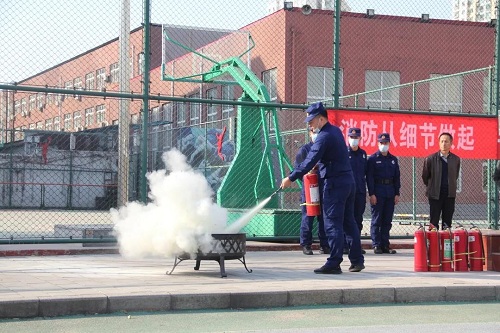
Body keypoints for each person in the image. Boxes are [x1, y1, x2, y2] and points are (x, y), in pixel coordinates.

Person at [280, 102, 364, 274]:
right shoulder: (335, 132)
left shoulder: (324, 136)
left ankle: (334, 262)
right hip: (347, 182)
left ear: (321, 119)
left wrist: (291, 177)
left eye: (312, 121)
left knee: (332, 223)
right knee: (349, 222)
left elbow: (309, 160)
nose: (309, 124)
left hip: (335, 184)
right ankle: (356, 260)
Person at [294, 129, 330, 255]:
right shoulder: (304, 150)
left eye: (318, 132)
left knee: (323, 218)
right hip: (309, 189)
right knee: (308, 217)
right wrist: (308, 173)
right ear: (310, 133)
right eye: (314, 132)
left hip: (323, 187)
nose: (316, 135)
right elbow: (297, 169)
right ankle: (306, 244)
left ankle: (324, 244)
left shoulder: (324, 149)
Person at [366, 133, 400, 254]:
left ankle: (385, 244)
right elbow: (369, 178)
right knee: (377, 219)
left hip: (390, 192)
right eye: (381, 143)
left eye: (385, 143)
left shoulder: (393, 160)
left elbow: (397, 178)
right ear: (378, 143)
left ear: (389, 144)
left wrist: (397, 193)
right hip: (378, 191)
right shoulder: (373, 159)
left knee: (387, 220)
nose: (383, 145)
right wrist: (372, 194)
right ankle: (376, 244)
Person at [422, 132, 461, 230]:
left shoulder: (456, 159)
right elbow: (425, 177)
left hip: (449, 194)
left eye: (446, 141)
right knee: (434, 222)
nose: (444, 144)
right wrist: (432, 186)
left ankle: (446, 244)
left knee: (447, 223)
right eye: (442, 141)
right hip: (435, 194)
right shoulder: (430, 159)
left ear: (451, 143)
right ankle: (433, 244)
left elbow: (455, 175)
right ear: (439, 143)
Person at [345, 128, 367, 255]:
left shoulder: (363, 154)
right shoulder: (343, 153)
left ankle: (355, 246)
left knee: (358, 219)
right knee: (347, 218)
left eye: (356, 137)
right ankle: (345, 245)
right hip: (347, 191)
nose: (354, 140)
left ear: (360, 139)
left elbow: (366, 173)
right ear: (348, 138)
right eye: (351, 137)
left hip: (359, 191)